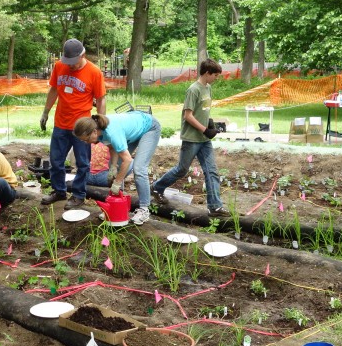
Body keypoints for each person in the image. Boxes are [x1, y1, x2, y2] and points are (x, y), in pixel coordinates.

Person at [151, 58, 230, 217]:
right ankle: (156, 188)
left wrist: (210, 124)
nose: (217, 78)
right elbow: (188, 116)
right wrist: (204, 130)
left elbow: (203, 111)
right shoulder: (193, 90)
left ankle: (214, 207)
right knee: (181, 169)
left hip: (204, 140)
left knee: (212, 171)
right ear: (207, 73)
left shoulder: (208, 88)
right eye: (215, 75)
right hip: (192, 138)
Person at [39, 39, 107, 210]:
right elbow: (54, 89)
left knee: (83, 163)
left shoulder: (94, 72)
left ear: (82, 55)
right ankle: (59, 191)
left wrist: (99, 123)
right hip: (61, 122)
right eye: (67, 62)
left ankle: (78, 195)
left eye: (73, 62)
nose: (70, 66)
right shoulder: (59, 66)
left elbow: (100, 98)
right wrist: (46, 111)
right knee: (56, 161)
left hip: (82, 127)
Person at [73, 111, 162, 225]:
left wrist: (117, 182)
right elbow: (112, 147)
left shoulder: (112, 132)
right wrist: (113, 167)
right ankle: (118, 206)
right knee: (117, 167)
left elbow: (128, 159)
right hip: (132, 130)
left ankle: (144, 209)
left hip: (149, 127)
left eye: (86, 139)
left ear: (94, 132)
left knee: (139, 168)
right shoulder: (99, 131)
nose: (85, 142)